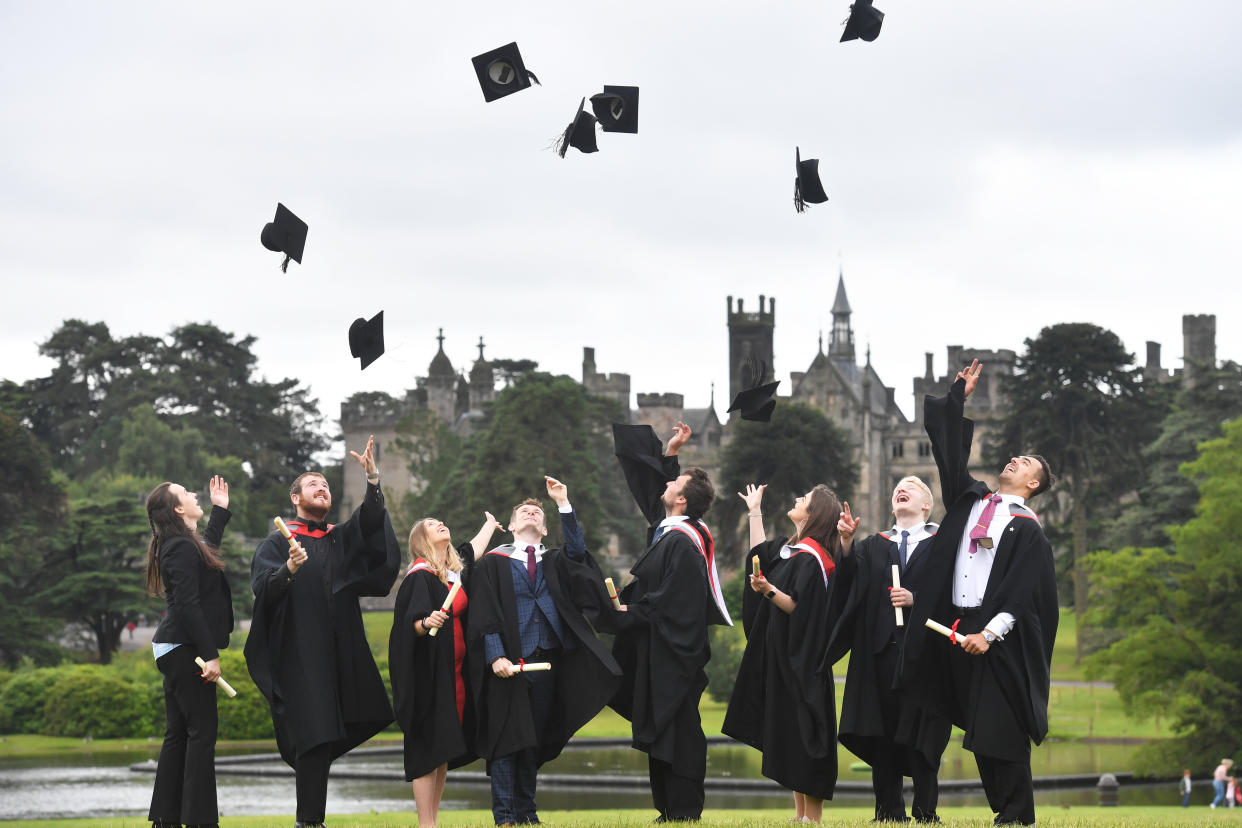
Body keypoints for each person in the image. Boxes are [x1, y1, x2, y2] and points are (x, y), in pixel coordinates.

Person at [904, 361, 1058, 827]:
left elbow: (1020, 593)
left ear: (1033, 485)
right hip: (956, 627)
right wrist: (957, 398)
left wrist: (989, 634)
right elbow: (948, 452)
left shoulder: (1026, 530)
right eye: (1016, 457)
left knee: (1001, 726)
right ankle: (1005, 813)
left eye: (1025, 463)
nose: (1015, 460)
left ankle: (1016, 815)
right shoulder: (973, 500)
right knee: (977, 727)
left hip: (1000, 636)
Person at [244, 436, 401, 828]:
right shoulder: (278, 541)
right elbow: (264, 589)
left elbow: (369, 526)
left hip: (341, 652)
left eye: (327, 485)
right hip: (301, 653)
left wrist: (373, 481)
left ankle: (310, 817)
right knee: (314, 737)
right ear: (296, 498)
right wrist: (290, 569)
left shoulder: (337, 537)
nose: (323, 488)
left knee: (333, 731)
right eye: (314, 484)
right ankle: (308, 821)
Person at [467, 476, 621, 826]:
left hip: (548, 661)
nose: (531, 513)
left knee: (532, 739)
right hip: (509, 661)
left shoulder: (555, 561)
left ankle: (528, 813)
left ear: (546, 528)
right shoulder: (493, 562)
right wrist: (495, 656)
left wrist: (563, 504)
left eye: (537, 512)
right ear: (510, 526)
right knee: (508, 739)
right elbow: (485, 613)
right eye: (524, 511)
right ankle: (505, 816)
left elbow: (579, 553)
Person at [609, 421, 733, 822]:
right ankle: (668, 809)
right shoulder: (675, 532)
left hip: (675, 654)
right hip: (663, 649)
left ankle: (682, 810)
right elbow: (654, 496)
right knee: (664, 730)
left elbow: (674, 601)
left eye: (673, 483)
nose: (666, 486)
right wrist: (671, 455)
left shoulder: (681, 541)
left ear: (681, 501)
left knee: (677, 731)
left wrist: (630, 614)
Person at [825, 477, 952, 823]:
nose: (901, 488)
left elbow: (953, 597)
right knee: (882, 734)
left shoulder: (943, 545)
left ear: (927, 504)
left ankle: (926, 812)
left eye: (911, 486)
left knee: (924, 734)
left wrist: (917, 601)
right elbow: (848, 586)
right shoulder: (872, 545)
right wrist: (847, 544)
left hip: (925, 656)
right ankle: (888, 812)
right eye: (897, 486)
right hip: (880, 654)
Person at [722, 482, 847, 823]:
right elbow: (759, 556)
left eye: (803, 498)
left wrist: (768, 589)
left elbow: (799, 606)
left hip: (803, 659)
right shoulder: (794, 550)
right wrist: (754, 510)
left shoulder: (815, 558)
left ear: (814, 513)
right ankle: (800, 816)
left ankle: (813, 817)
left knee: (808, 735)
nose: (796, 497)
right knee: (792, 733)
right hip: (785, 655)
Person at [390, 510, 504, 828]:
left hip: (455, 676)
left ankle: (433, 820)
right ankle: (427, 824)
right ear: (421, 541)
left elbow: (470, 550)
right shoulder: (420, 576)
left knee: (442, 752)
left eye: (440, 521)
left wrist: (490, 526)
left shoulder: (452, 574)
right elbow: (407, 626)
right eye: (430, 524)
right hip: (429, 677)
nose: (439, 523)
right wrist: (426, 622)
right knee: (429, 749)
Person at [144, 475, 234, 828]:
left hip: (175, 646)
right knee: (202, 733)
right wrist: (210, 654)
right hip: (185, 648)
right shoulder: (179, 547)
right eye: (185, 493)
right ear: (179, 508)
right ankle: (199, 821)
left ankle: (166, 819)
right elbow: (188, 603)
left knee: (180, 733)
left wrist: (219, 512)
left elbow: (206, 552)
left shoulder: (183, 543)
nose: (194, 493)